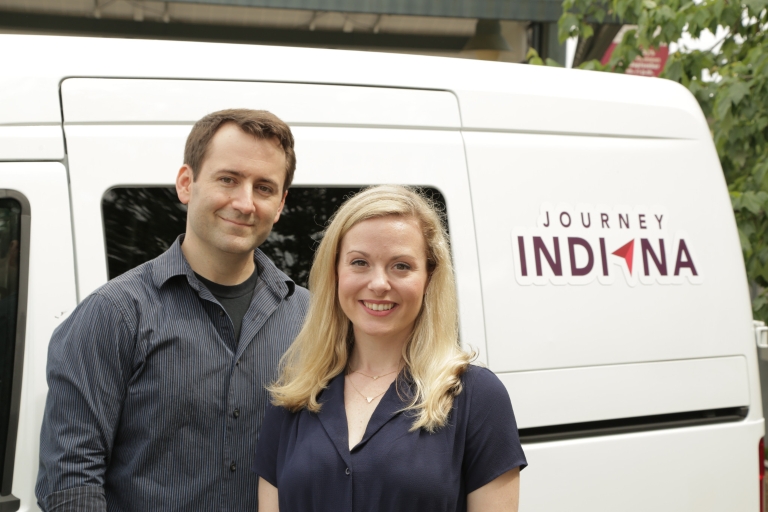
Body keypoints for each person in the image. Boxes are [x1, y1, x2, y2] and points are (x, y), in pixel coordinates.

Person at [36, 109, 309, 511]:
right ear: (186, 183)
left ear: (281, 203)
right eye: (228, 179)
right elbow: (71, 480)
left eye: (264, 187)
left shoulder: (311, 318)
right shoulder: (113, 314)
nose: (245, 202)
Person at [253, 185, 527, 512]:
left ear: (429, 277)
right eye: (359, 262)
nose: (379, 283)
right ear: (335, 272)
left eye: (401, 266)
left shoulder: (475, 396)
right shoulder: (293, 396)